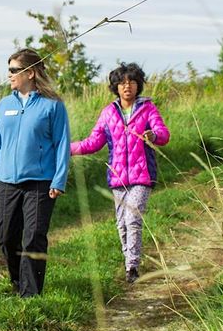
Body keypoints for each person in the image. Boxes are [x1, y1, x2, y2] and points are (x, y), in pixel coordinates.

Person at [0, 49, 70, 297]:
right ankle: (18, 279)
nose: (8, 75)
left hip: (41, 182)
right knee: (6, 236)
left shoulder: (53, 105)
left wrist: (59, 179)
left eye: (13, 70)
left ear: (30, 73)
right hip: (7, 181)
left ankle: (31, 295)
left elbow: (62, 144)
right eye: (8, 69)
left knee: (33, 238)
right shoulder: (4, 104)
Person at [70, 62, 169, 284]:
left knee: (133, 218)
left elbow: (163, 134)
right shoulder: (108, 113)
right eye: (123, 83)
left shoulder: (148, 109)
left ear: (138, 85)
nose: (127, 87)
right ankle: (129, 259)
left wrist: (153, 136)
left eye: (132, 82)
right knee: (122, 223)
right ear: (116, 86)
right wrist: (67, 149)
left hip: (142, 176)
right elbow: (93, 142)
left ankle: (132, 267)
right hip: (117, 177)